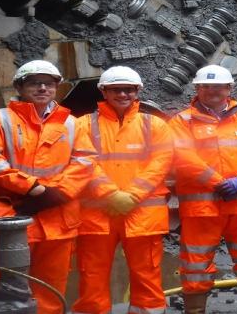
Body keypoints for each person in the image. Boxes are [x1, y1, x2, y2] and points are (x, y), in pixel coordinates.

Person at [0, 60, 95, 314]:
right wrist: (35, 190)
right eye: (34, 83)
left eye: (48, 84)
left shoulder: (71, 124)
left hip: (57, 220)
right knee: (2, 289)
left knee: (50, 288)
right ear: (19, 86)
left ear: (55, 88)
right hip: (10, 219)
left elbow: (85, 162)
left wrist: (58, 193)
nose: (42, 88)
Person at [169, 65, 237, 314]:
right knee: (196, 263)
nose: (212, 91)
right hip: (201, 208)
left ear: (229, 88)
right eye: (206, 86)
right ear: (197, 88)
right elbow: (182, 157)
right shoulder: (182, 121)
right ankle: (195, 310)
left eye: (218, 86)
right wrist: (218, 181)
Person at [70, 66, 174, 314]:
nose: (123, 94)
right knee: (92, 276)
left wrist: (132, 195)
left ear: (137, 92)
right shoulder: (82, 125)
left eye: (129, 89)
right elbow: (81, 162)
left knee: (146, 275)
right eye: (116, 89)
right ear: (104, 91)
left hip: (142, 214)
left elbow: (161, 162)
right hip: (96, 216)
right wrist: (110, 194)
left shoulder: (155, 125)